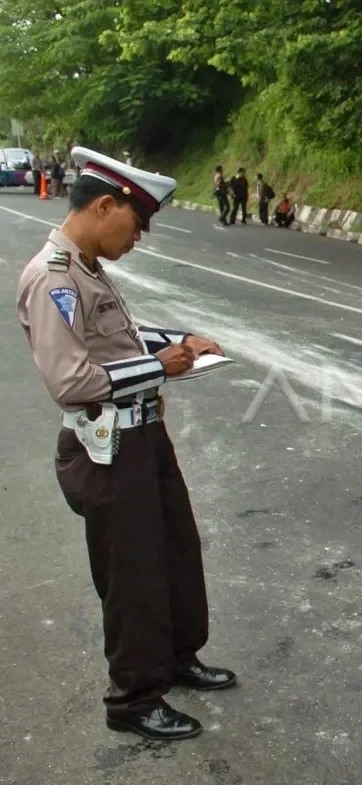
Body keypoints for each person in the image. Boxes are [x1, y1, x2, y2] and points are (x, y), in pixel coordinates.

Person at [16, 147, 237, 742]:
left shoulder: (87, 268)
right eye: (136, 224)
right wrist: (163, 368)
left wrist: (183, 341)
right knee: (133, 573)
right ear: (105, 205)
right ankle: (135, 698)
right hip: (105, 447)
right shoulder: (53, 277)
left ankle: (176, 656)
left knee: (174, 550)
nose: (139, 237)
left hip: (143, 436)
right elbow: (71, 381)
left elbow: (123, 342)